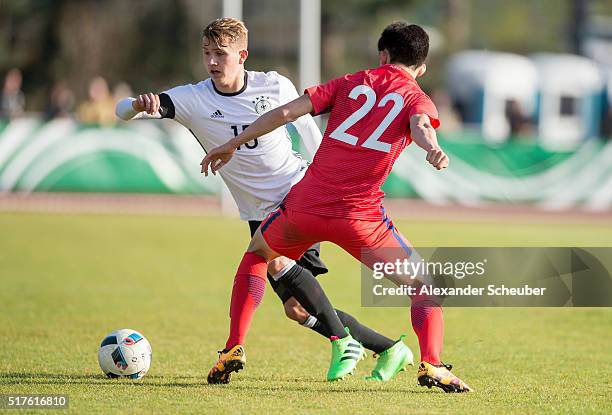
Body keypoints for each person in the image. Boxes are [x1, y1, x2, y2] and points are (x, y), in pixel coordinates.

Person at [115, 18, 412, 385]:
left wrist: (327, 186)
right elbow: (123, 111)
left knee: (273, 261)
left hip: (297, 193)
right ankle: (387, 348)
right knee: (297, 310)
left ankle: (338, 341)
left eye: (220, 54)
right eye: (207, 53)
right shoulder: (193, 98)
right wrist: (136, 104)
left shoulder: (273, 86)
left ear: (242, 55)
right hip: (256, 209)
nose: (211, 62)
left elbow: (311, 133)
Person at [202, 22, 472, 392]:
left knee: (257, 256)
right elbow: (422, 125)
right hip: (360, 220)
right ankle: (433, 364)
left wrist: (235, 142)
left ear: (383, 55)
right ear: (421, 67)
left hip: (306, 207)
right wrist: (431, 148)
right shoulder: (416, 97)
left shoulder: (347, 83)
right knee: (423, 286)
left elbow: (284, 114)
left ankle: (233, 347)